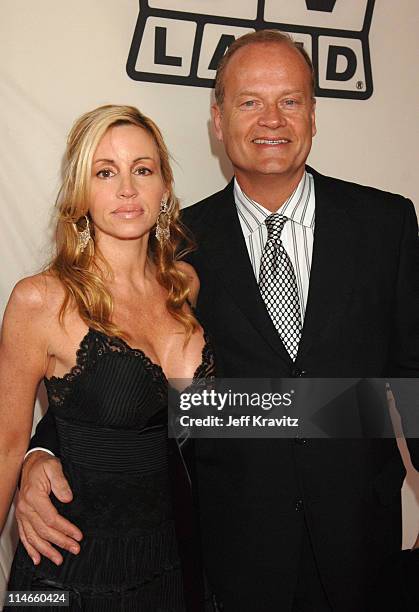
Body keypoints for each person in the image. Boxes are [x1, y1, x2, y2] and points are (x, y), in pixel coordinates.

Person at [12, 31, 419, 612]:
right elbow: (122, 373)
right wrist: (40, 454)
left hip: (364, 546)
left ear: (314, 114)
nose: (272, 119)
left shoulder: (387, 225)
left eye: (291, 100)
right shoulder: (175, 251)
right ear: (218, 120)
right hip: (231, 559)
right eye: (250, 101)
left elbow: (412, 379)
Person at [0, 104, 214, 610]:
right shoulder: (40, 300)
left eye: (143, 169)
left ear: (164, 188)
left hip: (168, 565)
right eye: (105, 171)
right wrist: (34, 457)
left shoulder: (185, 286)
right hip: (62, 575)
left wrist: (354, 409)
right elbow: (8, 447)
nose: (126, 189)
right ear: (80, 193)